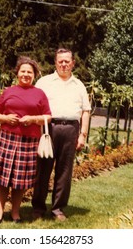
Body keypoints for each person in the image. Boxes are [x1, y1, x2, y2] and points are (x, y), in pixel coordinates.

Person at [0, 56, 51, 225]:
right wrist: (6, 118)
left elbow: (48, 117)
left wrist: (32, 118)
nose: (25, 74)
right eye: (23, 71)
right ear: (17, 73)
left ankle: (15, 212)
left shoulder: (40, 94)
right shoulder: (8, 91)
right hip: (7, 139)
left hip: (28, 142)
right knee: (2, 179)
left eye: (29, 72)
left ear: (34, 75)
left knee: (19, 181)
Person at [32, 48, 91, 221]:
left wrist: (82, 135)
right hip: (48, 129)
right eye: (60, 61)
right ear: (55, 62)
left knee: (64, 171)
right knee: (43, 169)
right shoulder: (44, 82)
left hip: (71, 130)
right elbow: (34, 106)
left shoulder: (79, 85)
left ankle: (58, 208)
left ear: (73, 63)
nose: (64, 64)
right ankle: (38, 207)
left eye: (67, 61)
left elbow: (86, 111)